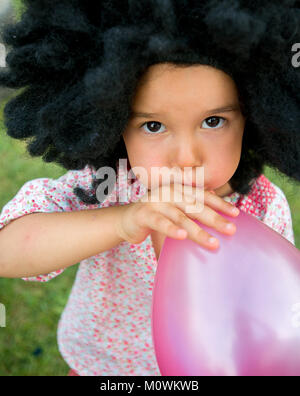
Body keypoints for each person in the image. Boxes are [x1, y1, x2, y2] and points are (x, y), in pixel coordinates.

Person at [0, 0, 299, 376]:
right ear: (114, 126)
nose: (187, 157)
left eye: (213, 120)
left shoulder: (263, 207)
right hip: (107, 369)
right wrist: (124, 220)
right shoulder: (104, 189)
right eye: (154, 126)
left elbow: (279, 308)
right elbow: (8, 249)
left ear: (255, 116)